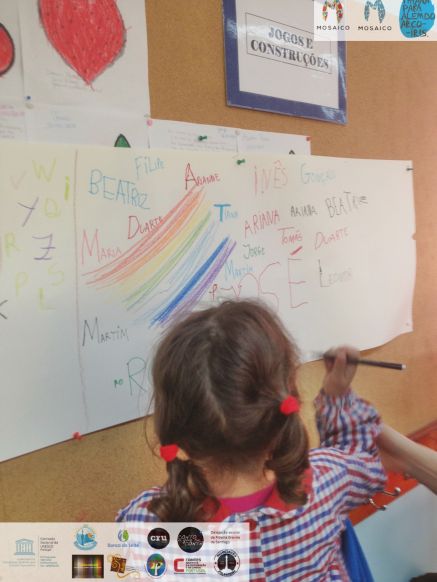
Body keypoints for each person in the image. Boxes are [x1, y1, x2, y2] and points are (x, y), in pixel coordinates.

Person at [117, 299, 386, 581]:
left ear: (174, 431)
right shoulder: (327, 481)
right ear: (286, 400)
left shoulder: (147, 522)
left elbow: (106, 568)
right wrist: (336, 396)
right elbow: (366, 460)